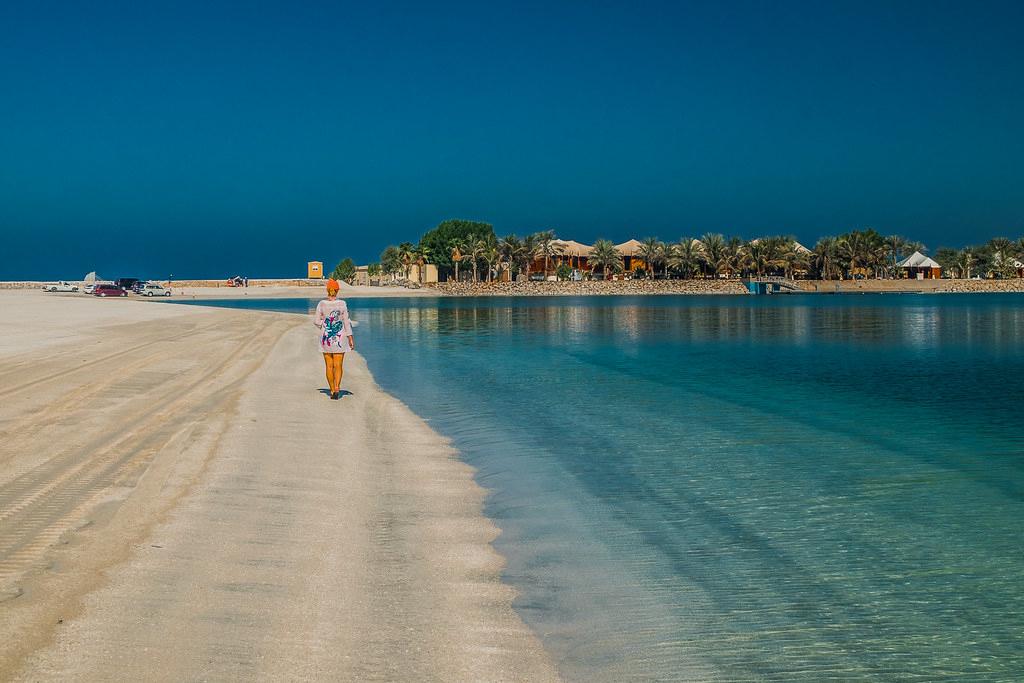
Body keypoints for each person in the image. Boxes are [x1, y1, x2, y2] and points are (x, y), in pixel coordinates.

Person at [314, 279, 355, 400]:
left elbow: (316, 321)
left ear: (327, 290)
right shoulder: (342, 304)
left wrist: (324, 323)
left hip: (325, 338)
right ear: (337, 291)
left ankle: (332, 390)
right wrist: (350, 338)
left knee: (329, 366)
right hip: (340, 338)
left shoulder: (321, 304)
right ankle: (337, 387)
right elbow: (346, 321)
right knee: (338, 365)